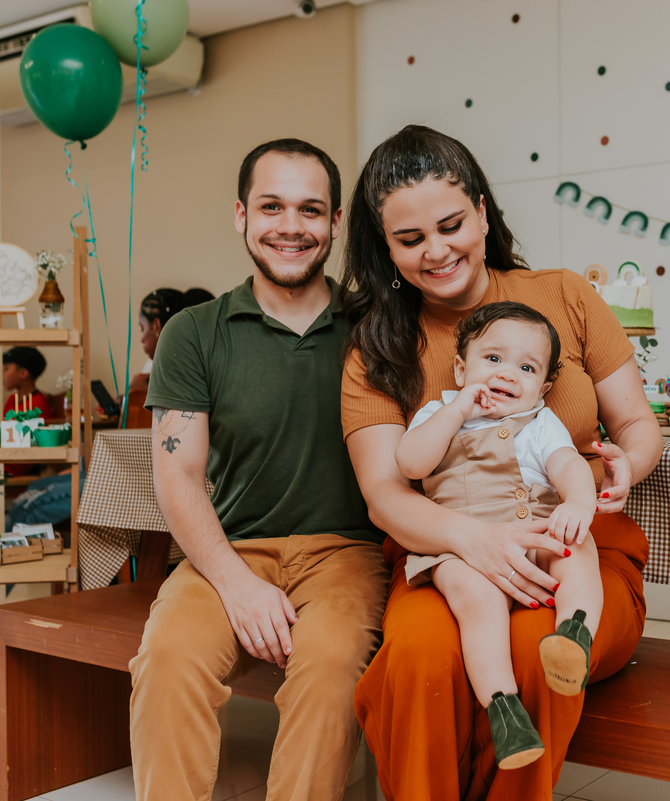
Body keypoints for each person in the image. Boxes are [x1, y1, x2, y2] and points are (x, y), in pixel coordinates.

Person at [340, 125, 662, 799]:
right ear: (385, 246)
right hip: (446, 554)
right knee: (421, 657)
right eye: (409, 239)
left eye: (451, 224)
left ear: (483, 212)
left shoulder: (567, 295)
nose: (436, 250)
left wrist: (627, 462)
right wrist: (478, 541)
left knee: (535, 653)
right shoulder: (379, 350)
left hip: (575, 546)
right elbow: (385, 493)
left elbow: (634, 422)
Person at [130, 138, 388, 801]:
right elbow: (178, 477)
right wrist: (240, 586)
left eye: (311, 209)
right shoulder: (193, 332)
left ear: (335, 224)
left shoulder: (377, 325)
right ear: (241, 215)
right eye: (272, 206)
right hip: (228, 549)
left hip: (348, 555)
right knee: (167, 658)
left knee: (329, 666)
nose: (291, 226)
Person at [395, 301, 603, 770]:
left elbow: (568, 464)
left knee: (577, 550)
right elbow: (411, 463)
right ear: (460, 367)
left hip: (535, 529)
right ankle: (505, 712)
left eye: (526, 367)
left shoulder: (540, 421)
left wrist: (576, 503)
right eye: (493, 359)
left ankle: (574, 637)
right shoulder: (438, 411)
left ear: (543, 388)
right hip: (462, 546)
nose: (507, 374)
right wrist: (460, 408)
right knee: (476, 599)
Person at [126, 288, 216, 428]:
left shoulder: (151, 375)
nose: (141, 338)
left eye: (142, 328)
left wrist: (133, 394)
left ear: (156, 325)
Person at [2, 346, 55, 477]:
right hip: (3, 463)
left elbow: (38, 448)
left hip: (16, 470)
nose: (2, 373)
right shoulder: (11, 400)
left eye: (6, 369)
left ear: (23, 373)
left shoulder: (38, 404)